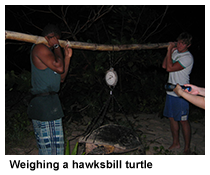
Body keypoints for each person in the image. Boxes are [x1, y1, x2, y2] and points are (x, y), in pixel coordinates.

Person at [27, 24, 72, 155]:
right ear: (50, 38)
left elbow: (61, 77)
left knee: (50, 150)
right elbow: (59, 67)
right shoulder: (39, 48)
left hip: (50, 104)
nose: (56, 44)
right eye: (55, 40)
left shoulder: (49, 56)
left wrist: (67, 57)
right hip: (44, 105)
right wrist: (57, 47)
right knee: (53, 151)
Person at [162, 32, 194, 154]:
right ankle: (176, 143)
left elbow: (170, 68)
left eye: (183, 43)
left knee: (183, 120)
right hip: (171, 91)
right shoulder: (175, 52)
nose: (180, 45)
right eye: (179, 42)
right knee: (172, 118)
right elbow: (165, 66)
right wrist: (169, 51)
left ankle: (187, 147)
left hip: (182, 93)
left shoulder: (187, 57)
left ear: (188, 45)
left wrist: (170, 50)